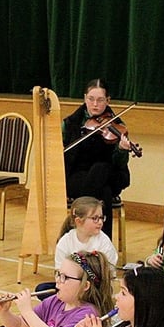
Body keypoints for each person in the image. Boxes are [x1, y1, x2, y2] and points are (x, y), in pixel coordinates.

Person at [62, 78, 136, 238]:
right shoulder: (70, 123)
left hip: (110, 176)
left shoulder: (117, 125)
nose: (95, 104)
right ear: (84, 98)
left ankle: (77, 235)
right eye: (91, 99)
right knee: (104, 192)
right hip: (76, 177)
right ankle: (103, 245)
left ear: (108, 100)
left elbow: (119, 164)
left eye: (100, 100)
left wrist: (122, 150)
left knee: (101, 167)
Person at [35, 196, 118, 298]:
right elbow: (59, 272)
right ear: (79, 221)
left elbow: (108, 274)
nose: (100, 222)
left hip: (95, 289)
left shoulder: (104, 242)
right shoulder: (65, 241)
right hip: (71, 286)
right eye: (95, 218)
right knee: (42, 289)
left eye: (101, 217)